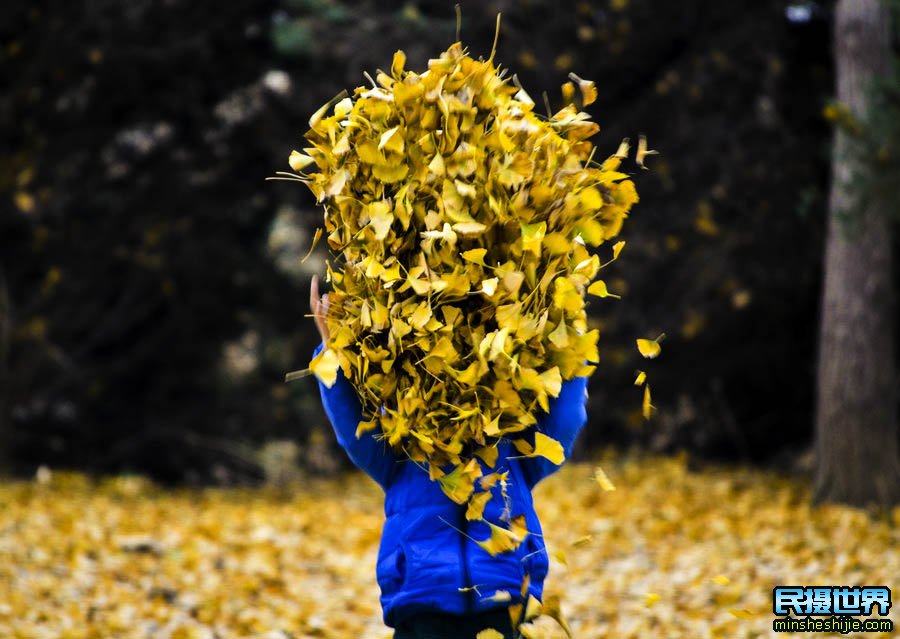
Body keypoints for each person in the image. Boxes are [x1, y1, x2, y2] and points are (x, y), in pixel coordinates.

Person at [309, 275, 590, 639]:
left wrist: (571, 331)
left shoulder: (512, 447)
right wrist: (331, 350)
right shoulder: (403, 449)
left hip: (498, 595)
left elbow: (565, 421)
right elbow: (353, 428)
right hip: (426, 601)